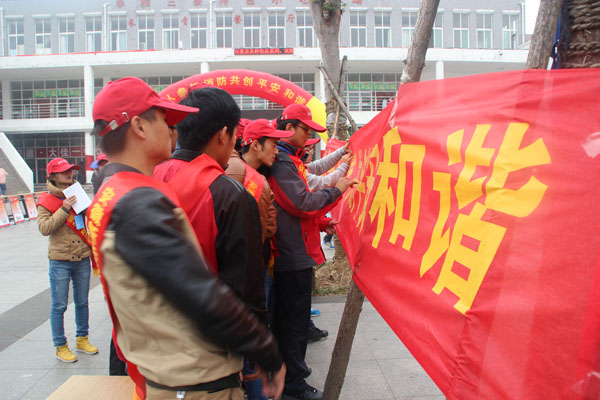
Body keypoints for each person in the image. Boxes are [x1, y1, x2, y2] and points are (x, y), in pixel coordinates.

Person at [89, 77, 285, 400]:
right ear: (139, 126)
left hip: (159, 371)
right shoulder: (137, 202)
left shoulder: (111, 192)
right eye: (164, 119)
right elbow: (200, 292)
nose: (172, 129)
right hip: (194, 381)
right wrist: (266, 351)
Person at [269, 104, 356, 400]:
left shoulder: (287, 159)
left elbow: (305, 188)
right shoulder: (282, 162)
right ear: (289, 128)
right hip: (290, 253)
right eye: (306, 130)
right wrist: (339, 188)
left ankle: (287, 379)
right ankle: (294, 385)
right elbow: (303, 202)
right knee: (293, 324)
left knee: (290, 321)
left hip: (291, 250)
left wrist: (320, 222)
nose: (308, 138)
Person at [226, 119, 294, 400]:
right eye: (274, 144)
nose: (277, 151)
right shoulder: (253, 180)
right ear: (255, 145)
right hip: (252, 272)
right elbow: (266, 229)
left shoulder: (232, 171)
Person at [36, 158, 98, 363]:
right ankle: (60, 346)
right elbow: (45, 228)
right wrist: (63, 209)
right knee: (59, 305)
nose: (70, 174)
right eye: (64, 171)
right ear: (53, 176)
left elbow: (91, 219)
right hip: (60, 260)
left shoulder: (78, 194)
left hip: (82, 257)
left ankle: (82, 339)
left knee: (82, 302)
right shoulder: (46, 200)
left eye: (71, 170)